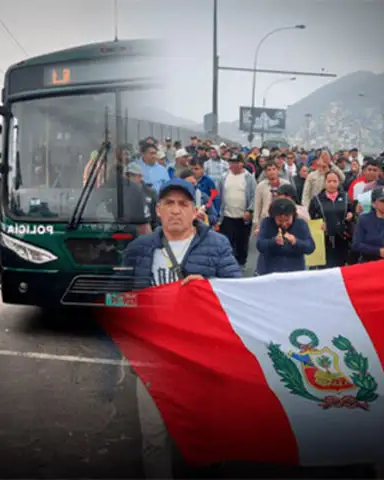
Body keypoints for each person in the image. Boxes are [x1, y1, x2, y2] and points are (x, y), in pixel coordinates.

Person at [119, 178, 240, 479]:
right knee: (154, 437)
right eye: (169, 204)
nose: (176, 210)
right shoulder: (138, 249)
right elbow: (119, 297)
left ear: (195, 211)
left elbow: (237, 293)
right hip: (153, 359)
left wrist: (210, 288)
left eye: (183, 204)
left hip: (201, 360)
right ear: (158, 210)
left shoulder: (217, 245)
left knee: (207, 435)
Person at [308, 171, 356, 269]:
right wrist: (318, 226)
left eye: (335, 181)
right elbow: (311, 218)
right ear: (325, 182)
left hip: (343, 241)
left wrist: (351, 215)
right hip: (324, 242)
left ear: (339, 183)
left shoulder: (345, 197)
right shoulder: (316, 200)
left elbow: (352, 212)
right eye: (329, 181)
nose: (332, 184)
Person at [256, 198, 315, 275]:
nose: (284, 224)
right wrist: (274, 241)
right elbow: (259, 245)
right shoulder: (266, 223)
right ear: (273, 217)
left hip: (295, 271)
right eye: (280, 221)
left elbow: (310, 247)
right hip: (270, 271)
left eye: (287, 220)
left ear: (293, 215)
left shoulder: (301, 224)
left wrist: (296, 242)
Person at [217, 154, 257, 268]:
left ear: (241, 163)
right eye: (231, 162)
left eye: (236, 162)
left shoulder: (249, 178)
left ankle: (241, 263)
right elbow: (218, 195)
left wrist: (250, 210)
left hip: (243, 217)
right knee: (227, 242)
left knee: (242, 242)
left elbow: (254, 196)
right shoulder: (223, 177)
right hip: (227, 216)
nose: (233, 165)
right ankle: (228, 264)